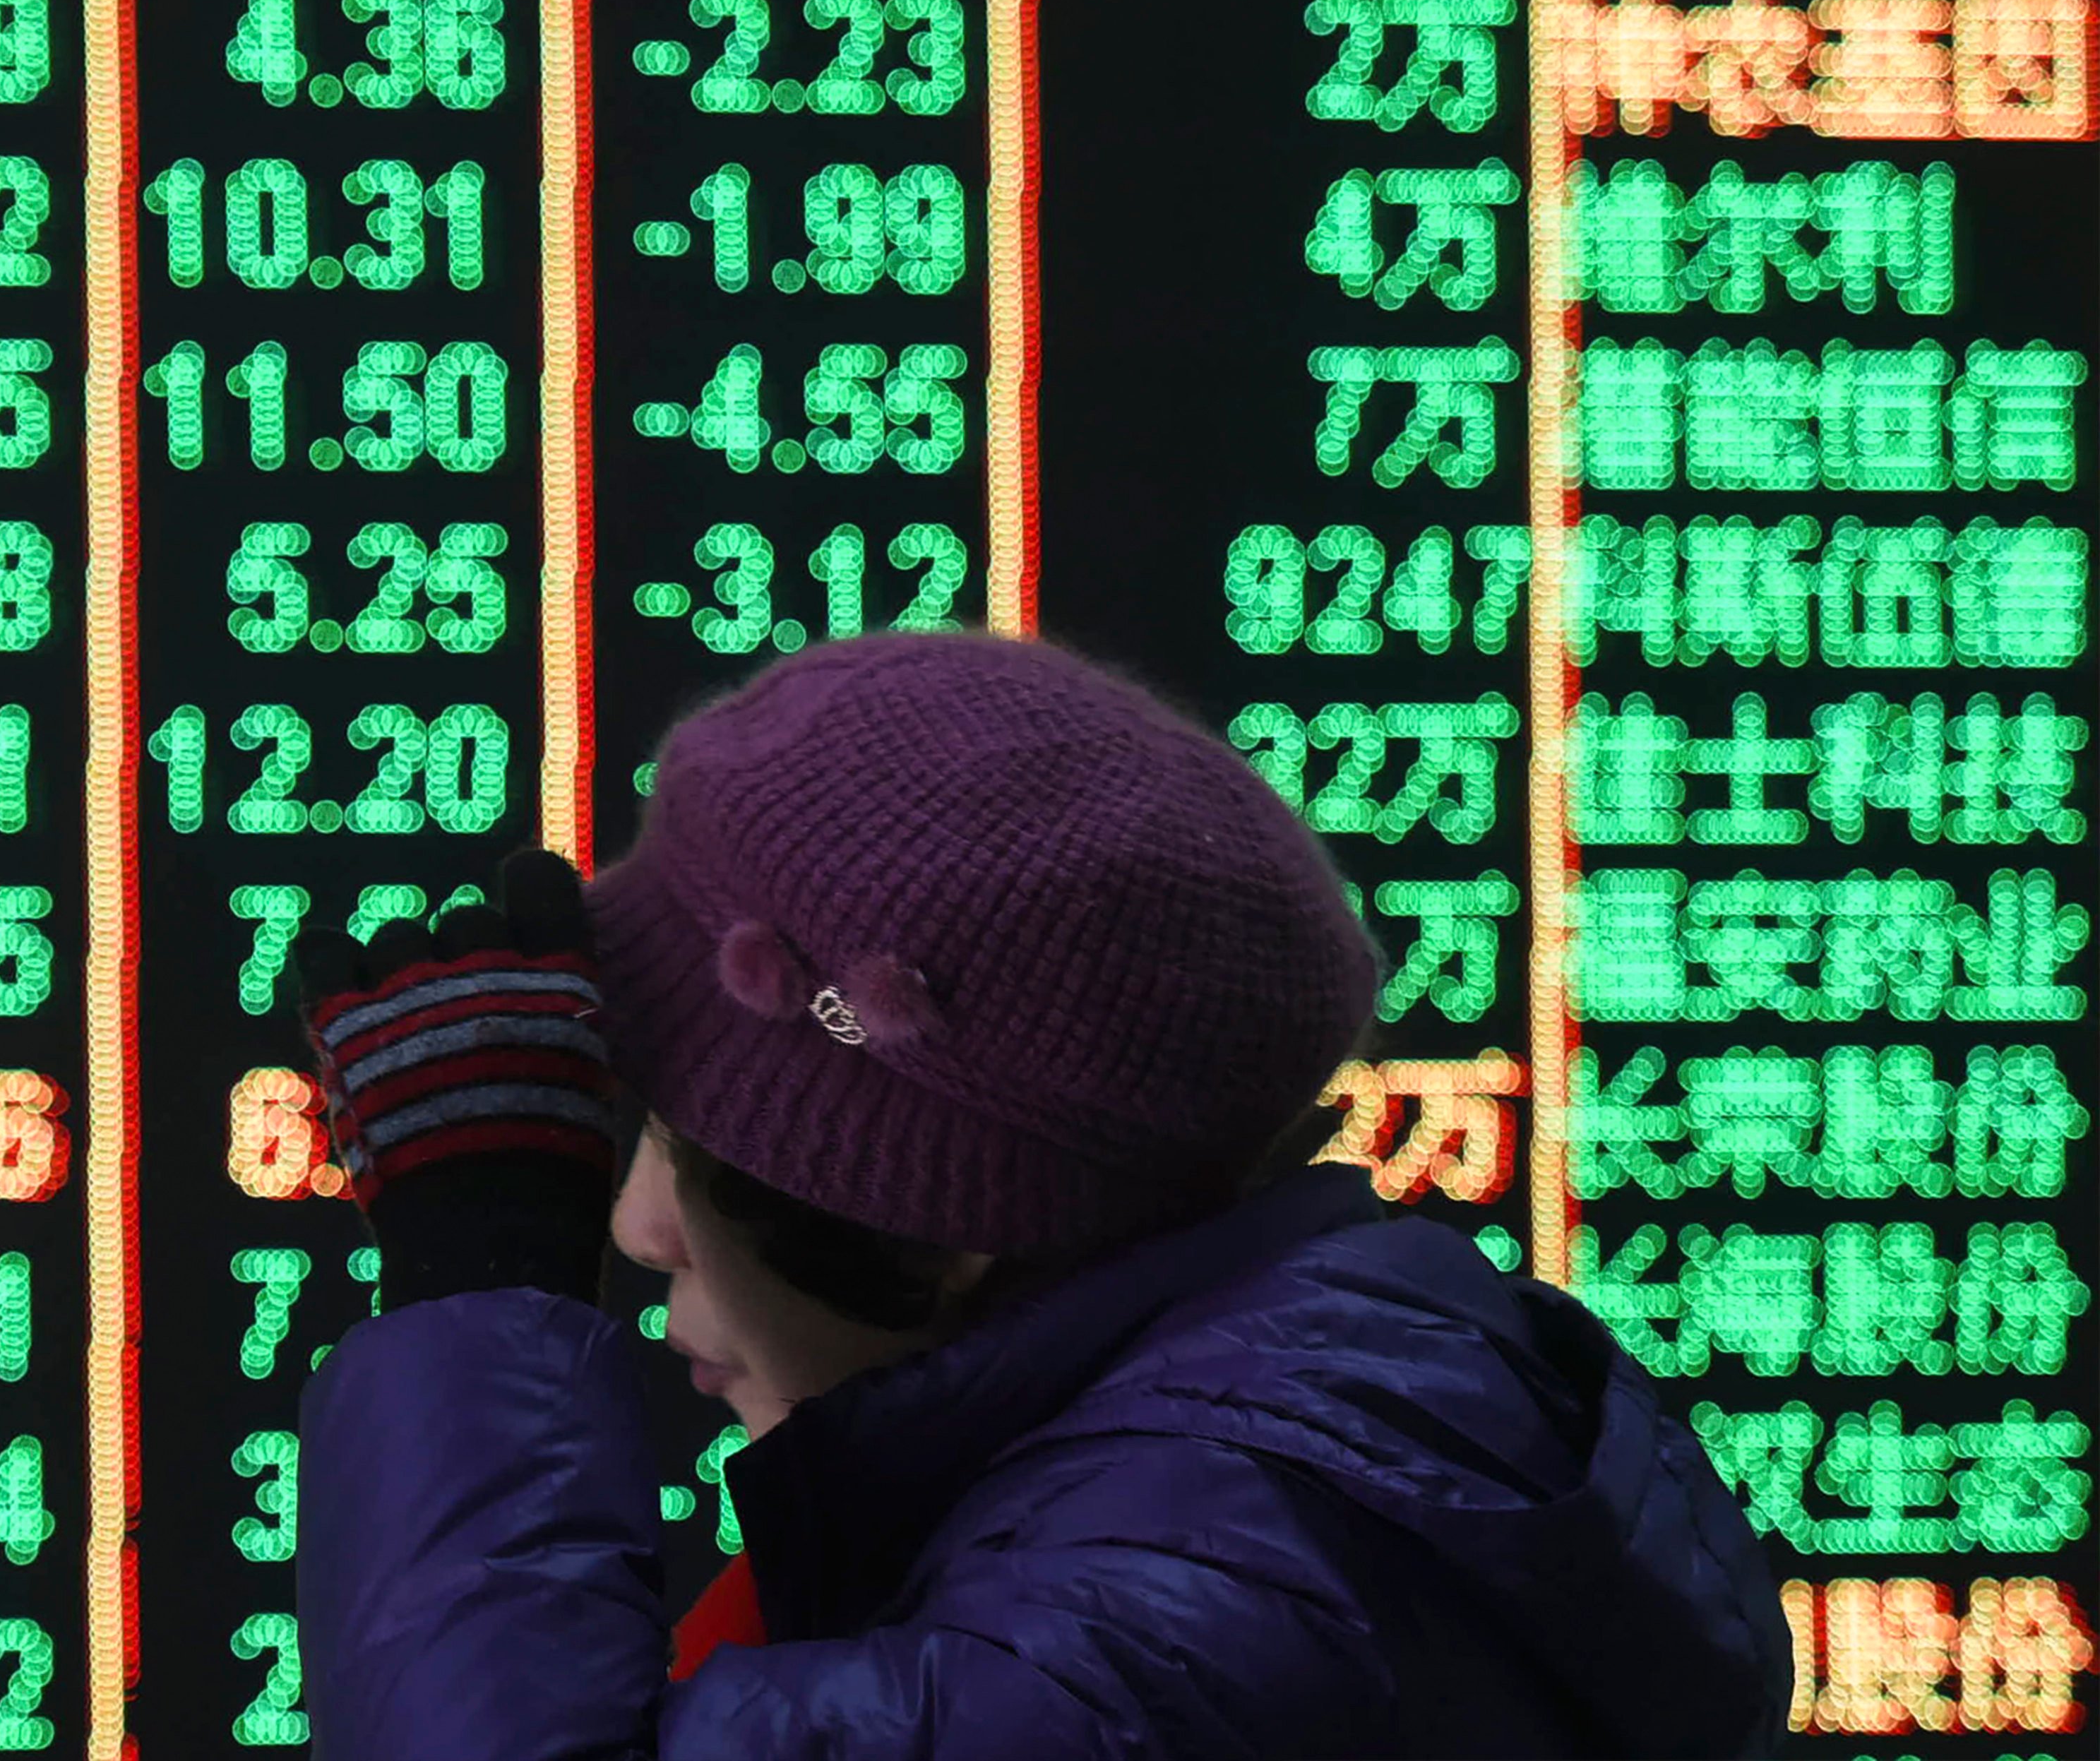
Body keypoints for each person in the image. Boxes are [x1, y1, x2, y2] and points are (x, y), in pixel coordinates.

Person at [292, 631, 1795, 1759]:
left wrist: (481, 1293)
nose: (629, 1224)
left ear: (940, 1229)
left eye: (689, 1146)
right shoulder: (1305, 1452)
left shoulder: (1200, 1611)